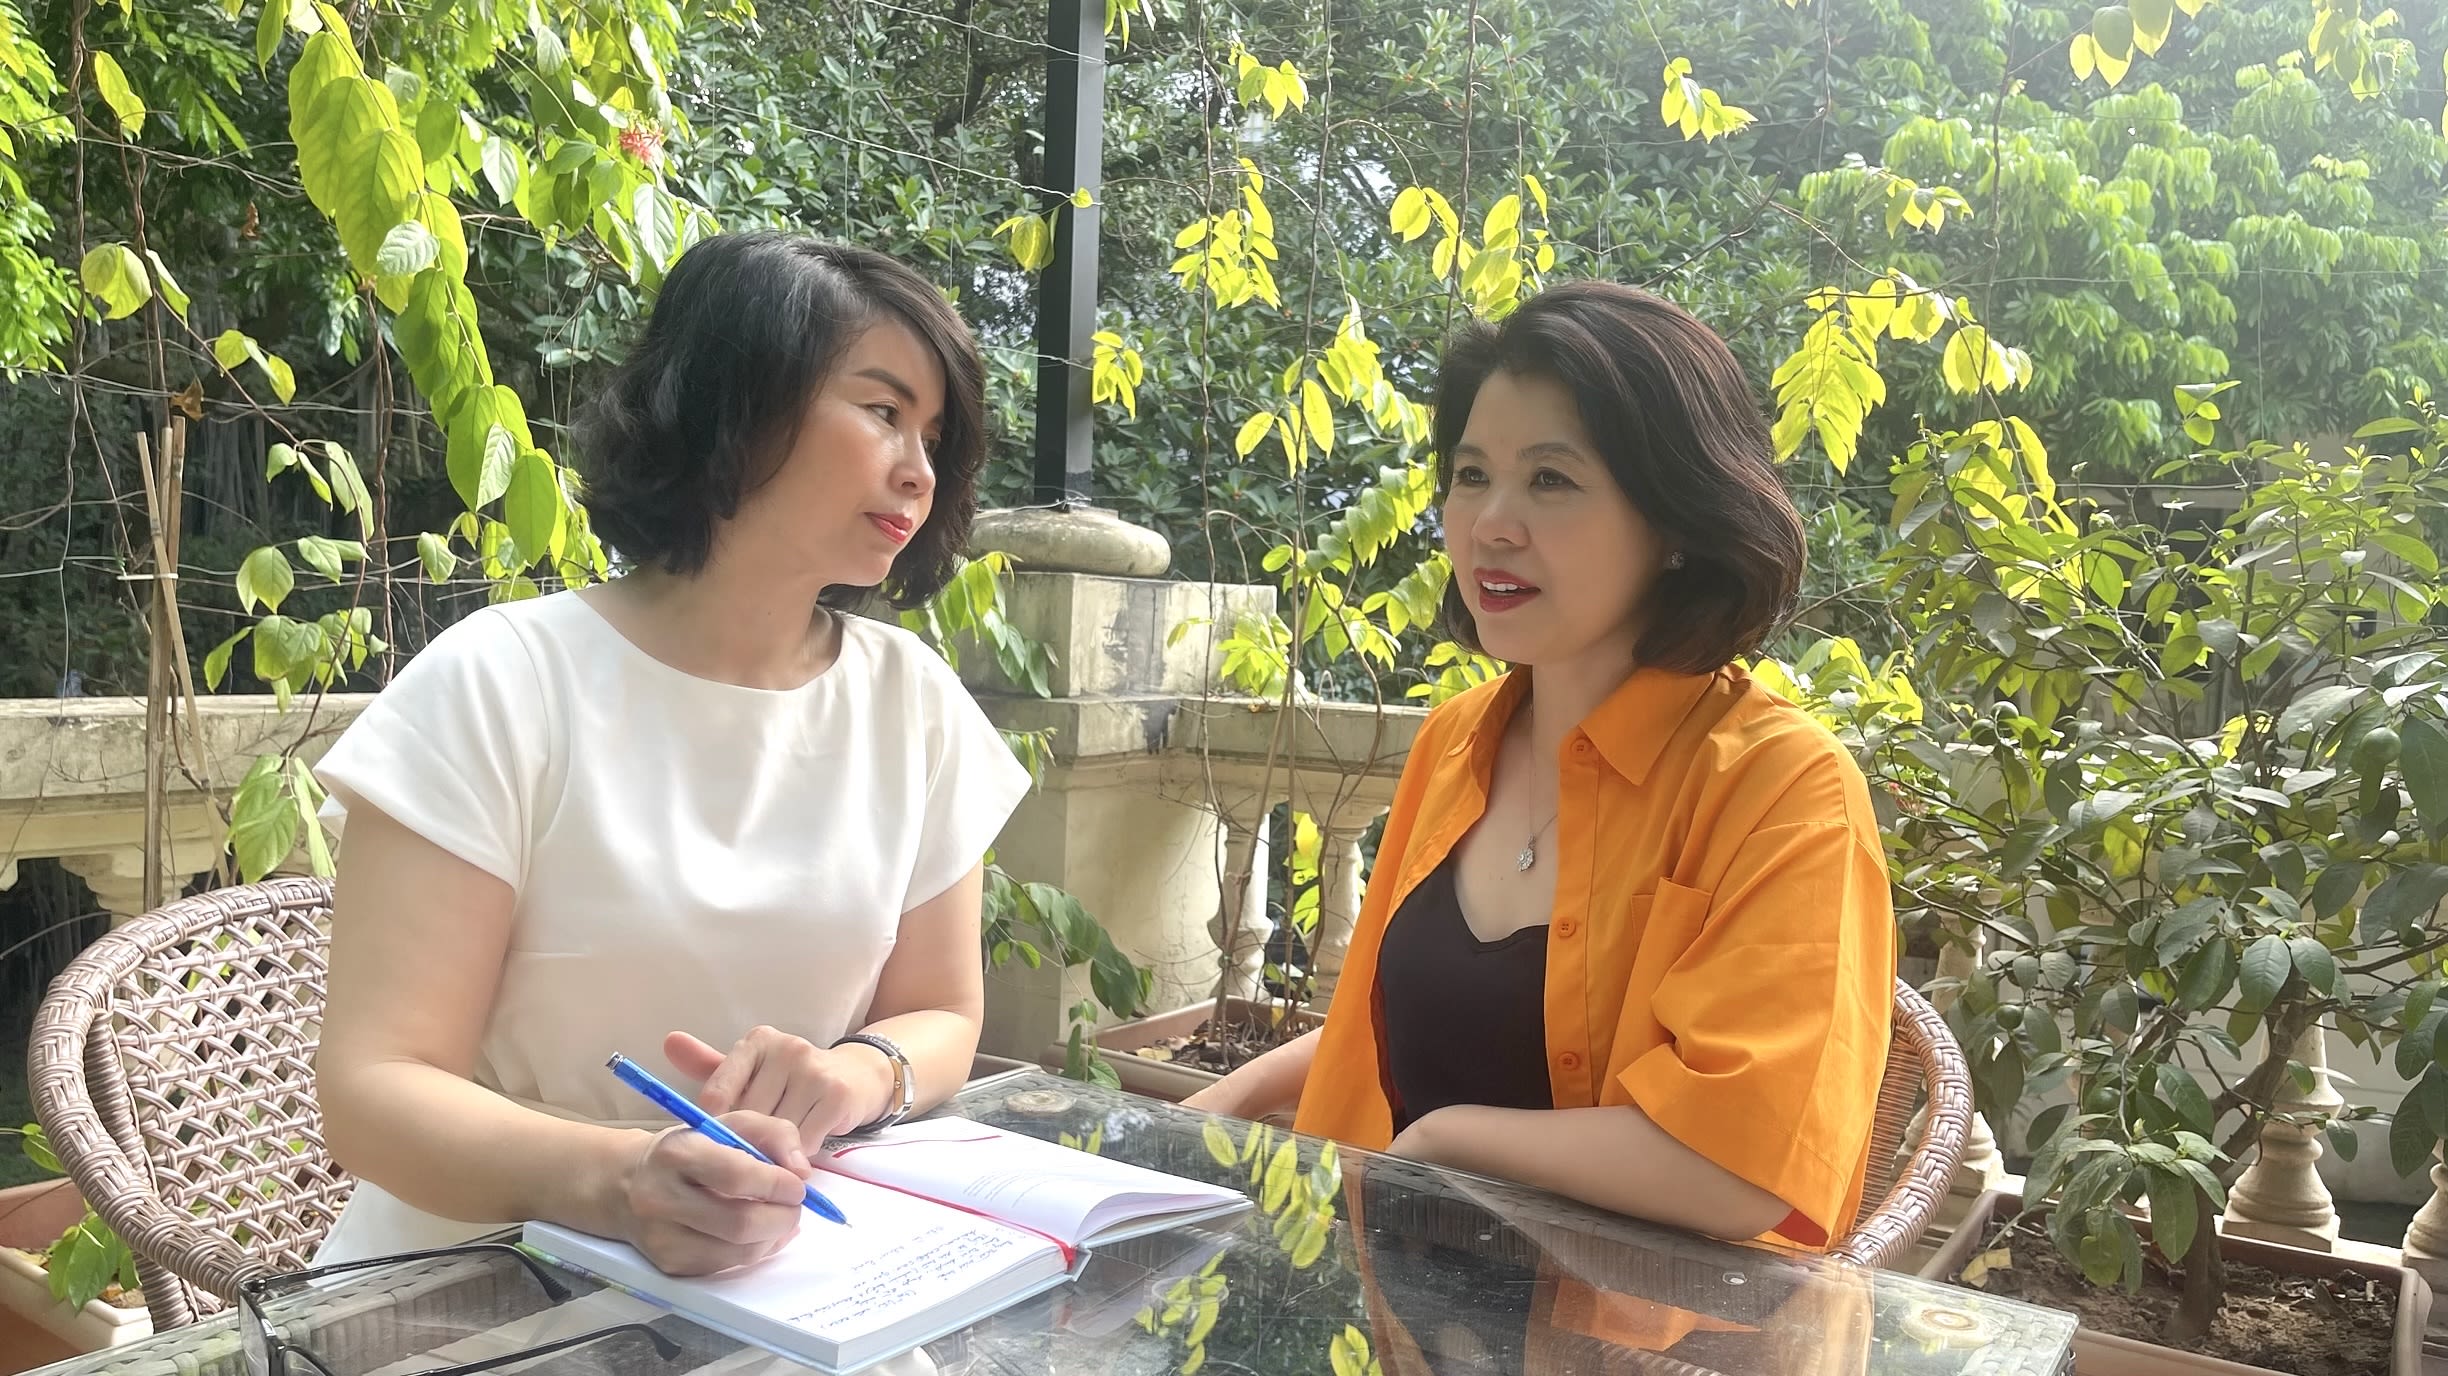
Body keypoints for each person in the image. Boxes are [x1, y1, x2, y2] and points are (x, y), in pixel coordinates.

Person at [311, 231, 1030, 1278]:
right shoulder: (503, 681)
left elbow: (945, 1011)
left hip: (785, 1278)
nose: (919, 471)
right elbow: (372, 1090)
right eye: (884, 411)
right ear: (739, 402)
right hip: (481, 1280)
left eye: (935, 436)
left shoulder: (910, 701)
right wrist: (621, 1179)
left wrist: (855, 1073)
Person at [1186, 281, 1895, 1251]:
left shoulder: (1782, 789)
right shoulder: (1455, 743)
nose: (1490, 523)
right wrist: (1230, 1097)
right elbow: (1433, 1017)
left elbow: (1738, 1166)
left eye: (1551, 479)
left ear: (1677, 522)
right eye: (1471, 474)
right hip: (1395, 1305)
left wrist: (1444, 1142)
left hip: (1650, 1327)